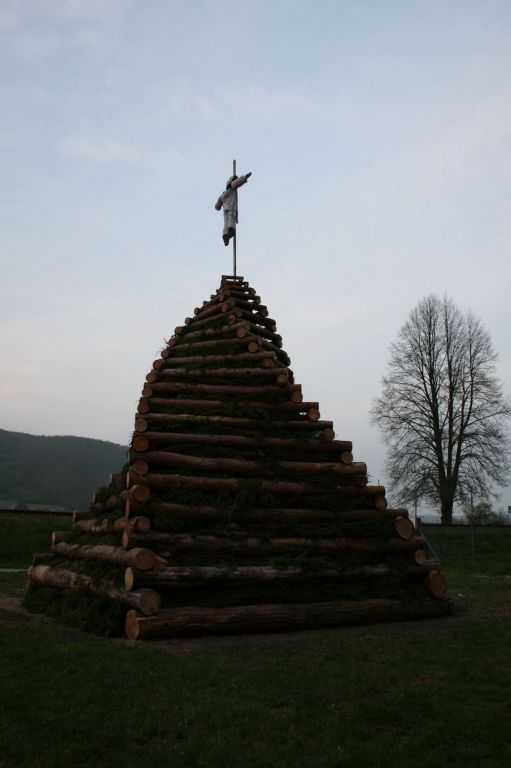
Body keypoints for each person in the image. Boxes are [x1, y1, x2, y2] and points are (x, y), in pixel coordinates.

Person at [215, 171, 252, 245]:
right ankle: (228, 235)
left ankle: (225, 236)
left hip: (225, 211)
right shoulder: (232, 187)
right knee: (231, 226)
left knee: (226, 224)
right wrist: (246, 176)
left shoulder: (223, 195)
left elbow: (217, 205)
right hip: (231, 209)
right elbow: (239, 182)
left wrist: (218, 207)